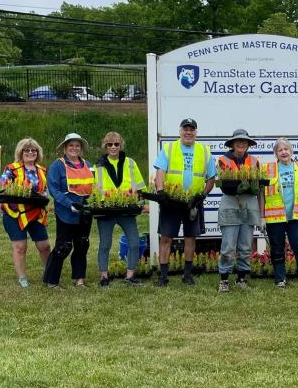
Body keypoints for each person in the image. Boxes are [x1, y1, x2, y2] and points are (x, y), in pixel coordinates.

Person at [153, 118, 217, 287]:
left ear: (196, 132)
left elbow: (211, 178)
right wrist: (160, 191)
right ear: (179, 131)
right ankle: (163, 276)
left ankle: (187, 275)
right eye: (185, 129)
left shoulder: (204, 151)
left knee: (190, 238)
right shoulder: (169, 148)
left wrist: (202, 196)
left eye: (192, 129)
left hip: (192, 203)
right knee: (166, 238)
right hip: (171, 202)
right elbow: (160, 171)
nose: (188, 132)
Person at [94, 131, 146, 288]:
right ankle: (104, 277)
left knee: (135, 243)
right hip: (106, 211)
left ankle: (130, 277)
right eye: (110, 144)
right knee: (105, 244)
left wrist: (141, 204)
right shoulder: (98, 165)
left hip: (126, 210)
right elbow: (93, 188)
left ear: (121, 145)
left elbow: (140, 187)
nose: (113, 147)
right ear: (105, 146)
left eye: (116, 144)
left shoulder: (130, 162)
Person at [262, 137, 298, 288]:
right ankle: (280, 279)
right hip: (275, 217)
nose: (284, 152)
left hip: (296, 216)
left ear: (291, 151)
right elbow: (261, 194)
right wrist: (261, 216)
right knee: (277, 248)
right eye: (280, 150)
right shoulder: (267, 169)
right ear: (276, 154)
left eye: (286, 149)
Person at [43, 133, 94, 288]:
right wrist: (68, 204)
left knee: (82, 244)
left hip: (85, 212)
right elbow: (54, 189)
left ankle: (79, 279)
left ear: (81, 148)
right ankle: (51, 280)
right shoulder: (57, 166)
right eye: (71, 145)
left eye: (77, 146)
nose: (74, 148)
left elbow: (94, 187)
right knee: (63, 246)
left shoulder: (88, 164)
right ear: (65, 148)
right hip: (66, 212)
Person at [0, 138, 51, 288]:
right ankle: (22, 278)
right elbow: (2, 187)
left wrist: (45, 196)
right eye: (26, 150)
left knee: (45, 246)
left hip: (36, 213)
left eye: (33, 150)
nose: (30, 153)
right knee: (20, 246)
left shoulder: (42, 170)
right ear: (20, 152)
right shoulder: (11, 169)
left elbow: (45, 189)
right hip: (16, 214)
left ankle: (49, 273)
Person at [217, 129, 262, 292]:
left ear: (249, 144)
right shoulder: (223, 160)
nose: (242, 143)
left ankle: (241, 278)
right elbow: (225, 184)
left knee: (245, 246)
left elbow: (259, 186)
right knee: (228, 245)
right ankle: (224, 279)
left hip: (249, 205)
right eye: (238, 141)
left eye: (245, 141)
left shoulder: (255, 161)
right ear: (233, 143)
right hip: (230, 203)